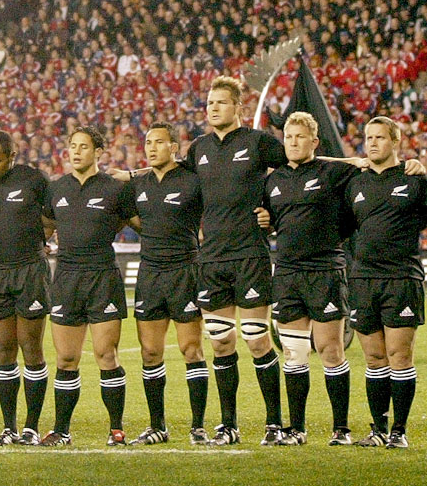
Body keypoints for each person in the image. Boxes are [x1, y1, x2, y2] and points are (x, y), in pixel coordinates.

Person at [189, 74, 286, 445]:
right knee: (221, 343)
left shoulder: (260, 143)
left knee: (257, 339)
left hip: (250, 253)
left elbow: (297, 169)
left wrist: (273, 213)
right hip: (212, 258)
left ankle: (274, 423)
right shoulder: (198, 149)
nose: (212, 108)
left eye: (220, 102)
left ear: (238, 108)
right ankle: (228, 424)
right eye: (209, 102)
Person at [256, 111, 358, 446]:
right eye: (288, 137)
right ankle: (295, 429)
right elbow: (268, 219)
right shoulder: (272, 181)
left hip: (325, 271)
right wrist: (265, 221)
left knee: (330, 350)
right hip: (287, 273)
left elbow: (367, 164)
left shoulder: (332, 171)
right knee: (293, 353)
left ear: (314, 142)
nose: (293, 142)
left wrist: (411, 164)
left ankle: (340, 429)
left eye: (300, 137)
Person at [345, 117, 427, 448]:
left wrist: (421, 167)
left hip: (401, 279)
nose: (371, 143)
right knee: (373, 359)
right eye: (368, 137)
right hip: (362, 279)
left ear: (395, 141)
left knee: (399, 356)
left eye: (379, 137)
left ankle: (399, 430)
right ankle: (378, 429)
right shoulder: (355, 183)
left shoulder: (416, 182)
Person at [40, 126, 132, 446]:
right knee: (66, 359)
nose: (76, 152)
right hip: (66, 278)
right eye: (72, 146)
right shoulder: (56, 189)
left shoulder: (113, 188)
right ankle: (62, 430)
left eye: (83, 146)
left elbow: (133, 221)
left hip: (102, 277)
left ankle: (116, 429)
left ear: (98, 153)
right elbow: (47, 224)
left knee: (106, 354)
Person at [127, 121, 206, 445]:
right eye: (148, 142)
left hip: (184, 270)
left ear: (174, 146)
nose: (151, 147)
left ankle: (198, 426)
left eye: (159, 142)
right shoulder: (140, 183)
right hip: (150, 273)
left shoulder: (191, 180)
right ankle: (157, 425)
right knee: (150, 352)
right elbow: (128, 215)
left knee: (191, 349)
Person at [0, 127, 52, 445]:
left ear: (12, 157)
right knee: (4, 349)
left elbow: (53, 216)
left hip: (30, 271)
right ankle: (9, 427)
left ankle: (31, 428)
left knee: (30, 347)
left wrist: (42, 240)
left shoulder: (34, 180)